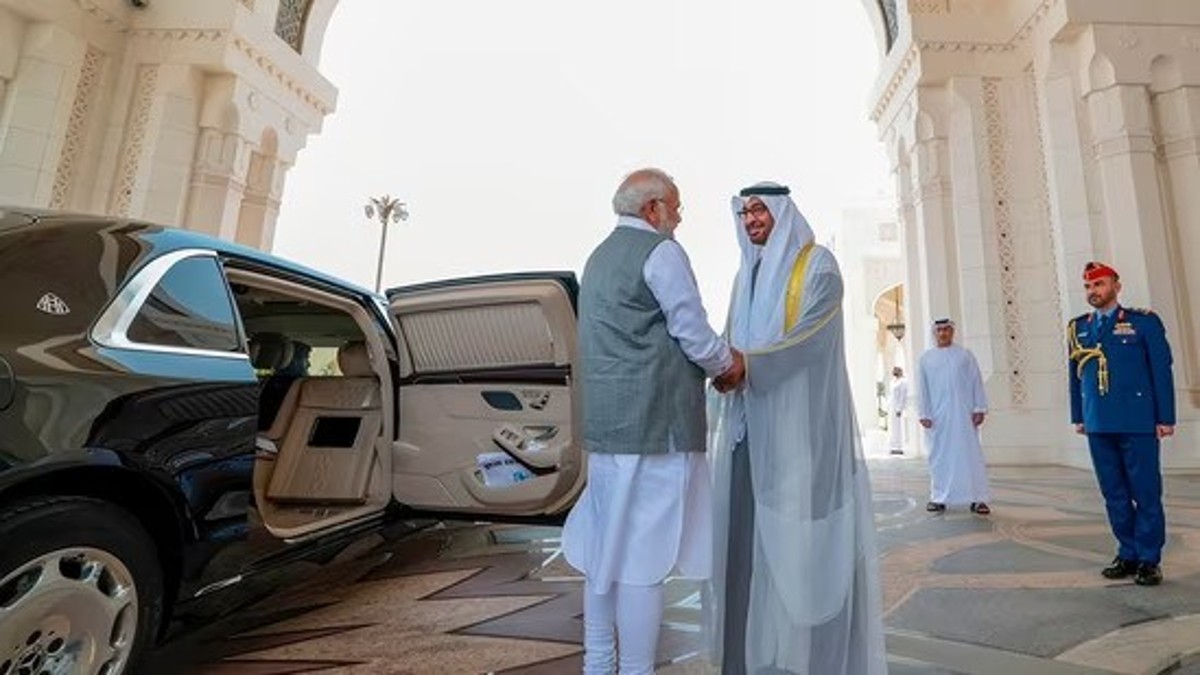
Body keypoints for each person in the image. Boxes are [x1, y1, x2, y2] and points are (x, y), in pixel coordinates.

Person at [563, 167, 745, 674]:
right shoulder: (660, 252)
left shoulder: (598, 256)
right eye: (676, 207)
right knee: (642, 562)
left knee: (606, 556)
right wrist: (730, 365)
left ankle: (599, 664)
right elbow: (692, 331)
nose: (680, 218)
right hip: (653, 431)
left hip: (608, 432)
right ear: (653, 209)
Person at [706, 182, 887, 675]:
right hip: (750, 436)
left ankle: (812, 663)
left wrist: (748, 366)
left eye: (760, 210)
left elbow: (809, 339)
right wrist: (721, 371)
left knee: (805, 558)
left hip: (802, 440)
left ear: (784, 213)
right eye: (745, 213)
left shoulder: (817, 266)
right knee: (745, 555)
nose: (751, 221)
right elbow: (727, 342)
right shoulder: (745, 275)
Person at [1068, 261, 1175, 586]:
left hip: (1137, 420)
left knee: (1145, 492)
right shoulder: (1078, 327)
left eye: (1099, 285)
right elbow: (1075, 375)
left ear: (1116, 286)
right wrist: (1079, 415)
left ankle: (1148, 558)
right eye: (1088, 286)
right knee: (1113, 492)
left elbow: (1161, 371)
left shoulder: (1143, 322)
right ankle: (1127, 552)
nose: (1093, 292)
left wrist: (1165, 417)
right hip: (1098, 421)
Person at [916, 318, 991, 515]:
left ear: (952, 332)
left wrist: (979, 408)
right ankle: (939, 497)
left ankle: (978, 498)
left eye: (947, 330)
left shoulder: (965, 356)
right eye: (939, 330)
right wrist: (924, 412)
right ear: (935, 333)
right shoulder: (926, 359)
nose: (943, 333)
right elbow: (922, 388)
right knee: (939, 457)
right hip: (938, 418)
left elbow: (976, 382)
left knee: (971, 456)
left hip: (964, 416)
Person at [888, 365, 909, 455]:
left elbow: (902, 396)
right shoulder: (893, 381)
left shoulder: (903, 382)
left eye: (896, 370)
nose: (894, 372)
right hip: (892, 407)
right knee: (893, 427)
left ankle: (900, 447)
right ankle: (894, 446)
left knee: (899, 427)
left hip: (898, 407)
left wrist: (899, 408)